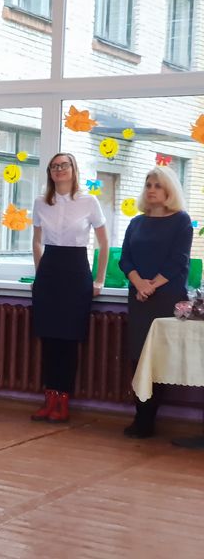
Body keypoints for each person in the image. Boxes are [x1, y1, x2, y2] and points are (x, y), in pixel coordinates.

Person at [30, 152, 108, 423]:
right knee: (49, 339)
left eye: (64, 165)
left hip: (76, 272)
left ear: (74, 169)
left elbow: (103, 243)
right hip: (49, 271)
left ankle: (63, 401)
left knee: (68, 340)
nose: (59, 169)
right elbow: (36, 240)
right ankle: (49, 399)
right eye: (54, 166)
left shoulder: (89, 201)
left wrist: (99, 279)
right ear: (49, 172)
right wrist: (40, 273)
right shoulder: (41, 202)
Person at [119, 166, 192, 438]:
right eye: (148, 185)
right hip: (139, 297)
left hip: (167, 298)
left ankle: (148, 419)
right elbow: (125, 259)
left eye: (157, 185)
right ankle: (141, 417)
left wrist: (150, 286)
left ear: (169, 190)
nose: (151, 190)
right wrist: (139, 283)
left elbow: (178, 261)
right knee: (138, 357)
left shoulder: (181, 221)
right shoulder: (136, 222)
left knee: (158, 358)